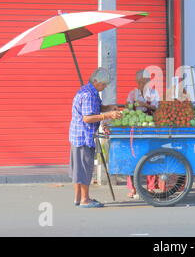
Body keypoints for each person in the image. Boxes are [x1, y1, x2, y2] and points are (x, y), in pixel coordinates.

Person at [69, 67, 122, 208]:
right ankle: (85, 200)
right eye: (103, 84)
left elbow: (95, 108)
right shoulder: (88, 95)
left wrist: (108, 107)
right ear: (96, 81)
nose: (104, 87)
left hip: (78, 135)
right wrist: (108, 115)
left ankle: (78, 198)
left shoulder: (89, 91)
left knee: (78, 169)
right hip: (83, 136)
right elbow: (87, 118)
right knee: (84, 168)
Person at [126, 69, 160, 198]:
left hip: (149, 126)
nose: (140, 83)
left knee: (151, 156)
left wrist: (145, 104)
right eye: (139, 81)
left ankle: (151, 187)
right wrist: (131, 105)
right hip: (135, 126)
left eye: (143, 81)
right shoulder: (132, 94)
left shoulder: (154, 93)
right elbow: (128, 107)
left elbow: (157, 107)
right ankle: (132, 188)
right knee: (132, 156)